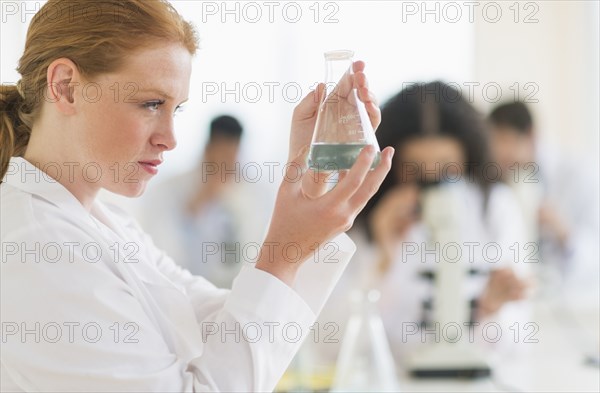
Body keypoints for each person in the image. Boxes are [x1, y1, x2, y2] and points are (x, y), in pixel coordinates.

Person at [0, 1, 394, 391]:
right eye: (151, 104)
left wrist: (309, 192)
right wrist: (284, 251)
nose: (170, 139)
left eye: (177, 109)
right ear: (65, 87)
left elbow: (225, 332)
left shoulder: (104, 225)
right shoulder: (36, 247)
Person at [324, 82, 531, 364]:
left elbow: (515, 343)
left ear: (468, 158)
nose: (434, 186)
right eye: (417, 172)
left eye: (448, 171)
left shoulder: (494, 206)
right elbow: (332, 348)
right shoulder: (365, 215)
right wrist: (383, 257)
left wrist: (489, 309)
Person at [140, 115, 270, 288]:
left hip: (236, 287)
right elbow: (164, 242)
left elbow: (257, 243)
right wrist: (203, 198)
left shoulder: (254, 192)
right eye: (221, 153)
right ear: (208, 148)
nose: (226, 161)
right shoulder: (172, 188)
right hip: (187, 287)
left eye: (231, 153)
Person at [488, 101, 600, 295]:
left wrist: (563, 231)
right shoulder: (500, 180)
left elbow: (592, 257)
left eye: (505, 140)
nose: (501, 153)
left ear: (530, 136)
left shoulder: (579, 173)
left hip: (577, 301)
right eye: (495, 143)